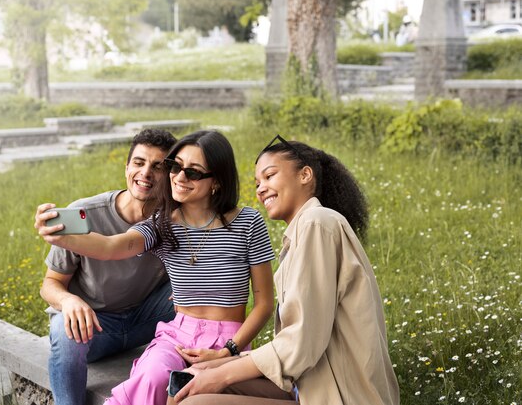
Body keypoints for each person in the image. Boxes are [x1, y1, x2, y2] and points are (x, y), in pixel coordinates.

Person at [35, 130, 275, 405]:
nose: (179, 177)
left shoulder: (247, 223)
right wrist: (62, 237)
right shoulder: (162, 223)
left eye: (193, 172)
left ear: (217, 182)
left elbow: (265, 303)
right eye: (175, 167)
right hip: (177, 333)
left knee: (195, 389)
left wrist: (230, 350)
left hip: (230, 336)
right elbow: (115, 246)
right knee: (152, 377)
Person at [171, 135, 400, 405]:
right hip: (311, 383)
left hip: (339, 394)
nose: (261, 189)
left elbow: (302, 340)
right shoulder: (301, 234)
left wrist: (223, 374)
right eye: (258, 183)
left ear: (304, 175)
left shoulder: (317, 223)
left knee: (196, 402)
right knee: (191, 380)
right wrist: (223, 362)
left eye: (269, 176)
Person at [37, 129, 178, 405]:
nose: (146, 173)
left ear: (171, 175)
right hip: (93, 327)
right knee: (64, 332)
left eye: (158, 166)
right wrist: (68, 301)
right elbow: (49, 284)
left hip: (145, 319)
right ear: (127, 167)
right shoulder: (85, 214)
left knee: (200, 291)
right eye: (139, 163)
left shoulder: (174, 221)